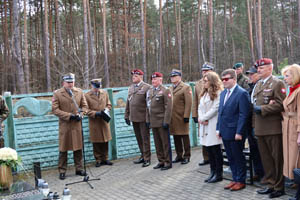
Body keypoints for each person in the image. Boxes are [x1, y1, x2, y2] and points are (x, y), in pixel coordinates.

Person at [253, 58, 286, 198]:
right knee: (266, 159)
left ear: (269, 68)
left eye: (261, 68)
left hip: (273, 128)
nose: (258, 70)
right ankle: (271, 184)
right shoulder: (259, 84)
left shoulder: (277, 83)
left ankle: (279, 187)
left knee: (277, 159)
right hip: (260, 128)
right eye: (258, 68)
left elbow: (281, 104)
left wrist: (263, 108)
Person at [216, 69, 250, 191]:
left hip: (235, 132)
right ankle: (235, 179)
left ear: (234, 79)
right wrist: (218, 128)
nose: (224, 81)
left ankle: (241, 180)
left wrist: (239, 132)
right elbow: (221, 112)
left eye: (226, 79)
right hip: (225, 131)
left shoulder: (242, 93)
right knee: (230, 157)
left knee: (238, 156)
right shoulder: (223, 93)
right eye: (222, 79)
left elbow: (243, 115)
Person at [52, 73, 88, 180]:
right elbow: (55, 110)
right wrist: (69, 116)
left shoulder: (79, 92)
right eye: (68, 82)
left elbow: (85, 106)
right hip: (65, 125)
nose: (70, 84)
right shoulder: (57, 94)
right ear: (63, 83)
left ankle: (79, 169)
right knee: (63, 149)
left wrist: (81, 114)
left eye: (72, 82)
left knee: (78, 148)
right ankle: (62, 170)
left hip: (77, 125)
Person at [198, 71, 223, 183]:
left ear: (212, 81)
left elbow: (215, 108)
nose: (204, 83)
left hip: (213, 124)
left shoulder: (218, 92)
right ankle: (212, 172)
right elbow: (200, 107)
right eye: (204, 81)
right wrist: (200, 118)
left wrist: (204, 118)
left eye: (206, 81)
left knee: (216, 150)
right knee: (209, 150)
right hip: (204, 124)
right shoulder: (205, 93)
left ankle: (218, 174)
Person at [124, 69, 151, 167]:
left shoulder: (147, 87)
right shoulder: (131, 88)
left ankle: (147, 158)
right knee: (139, 138)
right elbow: (128, 102)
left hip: (143, 118)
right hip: (134, 117)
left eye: (135, 76)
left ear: (141, 77)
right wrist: (126, 115)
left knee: (145, 139)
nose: (133, 77)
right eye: (133, 76)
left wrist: (149, 119)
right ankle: (143, 155)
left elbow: (149, 104)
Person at [146, 72, 173, 170]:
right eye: (152, 79)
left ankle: (167, 162)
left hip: (162, 121)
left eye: (155, 79)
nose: (153, 81)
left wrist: (166, 121)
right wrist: (147, 120)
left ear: (160, 80)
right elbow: (148, 106)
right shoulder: (150, 91)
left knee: (165, 143)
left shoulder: (165, 90)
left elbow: (168, 107)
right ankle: (161, 161)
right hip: (153, 122)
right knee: (157, 143)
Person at [281, 64, 300, 200]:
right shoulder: (292, 90)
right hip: (288, 128)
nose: (285, 79)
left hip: (295, 129)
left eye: (287, 76)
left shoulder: (298, 91)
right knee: (292, 160)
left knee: (296, 161)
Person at [85, 79, 113, 167]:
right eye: (95, 87)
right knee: (96, 141)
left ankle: (105, 158)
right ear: (92, 86)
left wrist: (107, 109)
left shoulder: (104, 93)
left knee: (105, 140)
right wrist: (95, 113)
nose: (97, 89)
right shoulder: (86, 95)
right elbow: (85, 109)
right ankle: (98, 159)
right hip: (94, 121)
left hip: (104, 120)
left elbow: (109, 104)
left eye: (98, 87)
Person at [192, 62, 214, 166]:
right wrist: (195, 115)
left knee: (214, 137)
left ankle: (215, 158)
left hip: (213, 114)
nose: (204, 72)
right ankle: (206, 158)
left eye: (207, 70)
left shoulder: (217, 82)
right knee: (203, 136)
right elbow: (195, 100)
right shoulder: (198, 84)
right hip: (202, 114)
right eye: (203, 71)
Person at [245, 67, 265, 181]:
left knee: (262, 150)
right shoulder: (250, 88)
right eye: (249, 75)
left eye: (252, 74)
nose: (250, 76)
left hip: (258, 123)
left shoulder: (261, 87)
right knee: (254, 150)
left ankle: (265, 174)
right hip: (250, 124)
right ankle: (258, 172)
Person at [169, 69, 193, 164]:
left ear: (179, 77)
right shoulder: (170, 88)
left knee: (184, 136)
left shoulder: (185, 87)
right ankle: (179, 155)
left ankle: (187, 155)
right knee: (176, 137)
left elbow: (189, 103)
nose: (172, 78)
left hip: (181, 116)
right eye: (171, 76)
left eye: (174, 76)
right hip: (173, 117)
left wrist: (186, 115)